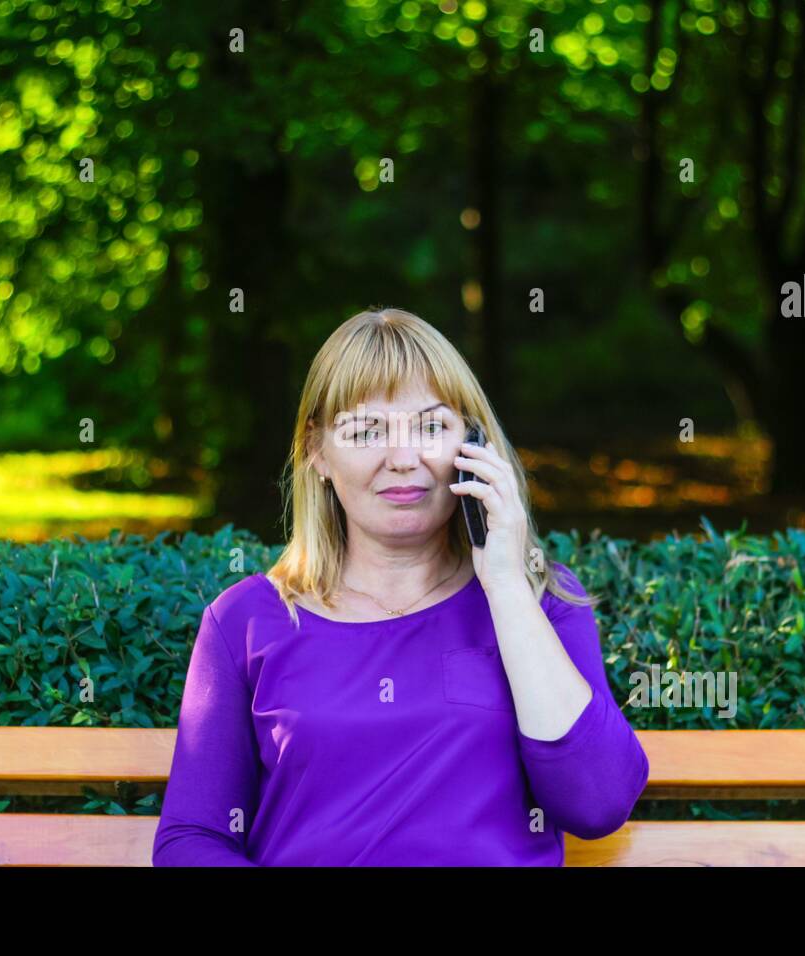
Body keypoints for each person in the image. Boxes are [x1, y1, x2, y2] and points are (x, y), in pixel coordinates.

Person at [151, 307, 649, 866]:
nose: (403, 458)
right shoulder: (246, 620)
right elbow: (194, 839)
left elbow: (599, 803)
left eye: (432, 427)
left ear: (474, 444)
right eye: (366, 431)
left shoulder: (540, 602)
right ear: (317, 450)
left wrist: (506, 585)